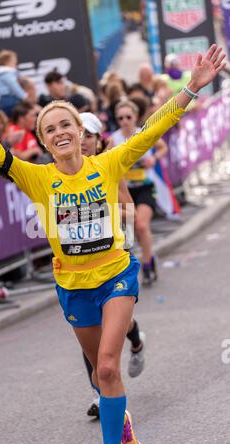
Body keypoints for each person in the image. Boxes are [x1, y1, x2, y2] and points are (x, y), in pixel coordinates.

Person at [0, 44, 226, 444]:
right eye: (50, 129)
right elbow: (0, 158)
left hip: (115, 277)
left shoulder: (107, 164)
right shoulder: (37, 177)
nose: (59, 132)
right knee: (99, 372)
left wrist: (191, 89)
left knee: (108, 366)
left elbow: (151, 129)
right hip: (73, 285)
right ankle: (120, 421)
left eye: (65, 124)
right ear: (44, 141)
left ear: (80, 132)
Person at [80, 112, 146, 418]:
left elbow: (126, 203)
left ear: (98, 140)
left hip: (114, 261)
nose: (81, 142)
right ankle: (100, 392)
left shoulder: (108, 165)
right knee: (91, 333)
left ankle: (133, 339)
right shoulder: (56, 172)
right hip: (80, 271)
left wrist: (126, 237)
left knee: (113, 328)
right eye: (76, 134)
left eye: (88, 136)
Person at [108, 100, 168, 286]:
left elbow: (163, 147)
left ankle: (147, 264)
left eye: (128, 117)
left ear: (135, 116)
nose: (125, 121)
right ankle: (144, 256)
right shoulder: (113, 140)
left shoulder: (143, 133)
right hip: (124, 191)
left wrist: (154, 159)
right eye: (120, 118)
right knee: (129, 231)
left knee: (141, 226)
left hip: (145, 186)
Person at [0, 50, 28, 117]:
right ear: (7, 61)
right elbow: (14, 87)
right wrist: (24, 97)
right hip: (8, 101)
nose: (16, 64)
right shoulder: (7, 73)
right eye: (14, 62)